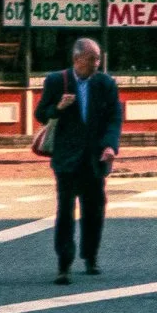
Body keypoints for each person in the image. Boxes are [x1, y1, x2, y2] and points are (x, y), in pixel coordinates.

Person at [40, 37, 122, 281]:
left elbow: (114, 117)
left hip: (94, 158)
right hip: (66, 158)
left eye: (98, 58)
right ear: (77, 59)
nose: (97, 63)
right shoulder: (57, 81)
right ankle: (64, 264)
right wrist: (58, 107)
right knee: (65, 210)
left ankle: (90, 257)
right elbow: (40, 114)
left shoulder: (105, 83)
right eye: (91, 59)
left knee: (94, 209)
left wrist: (110, 146)